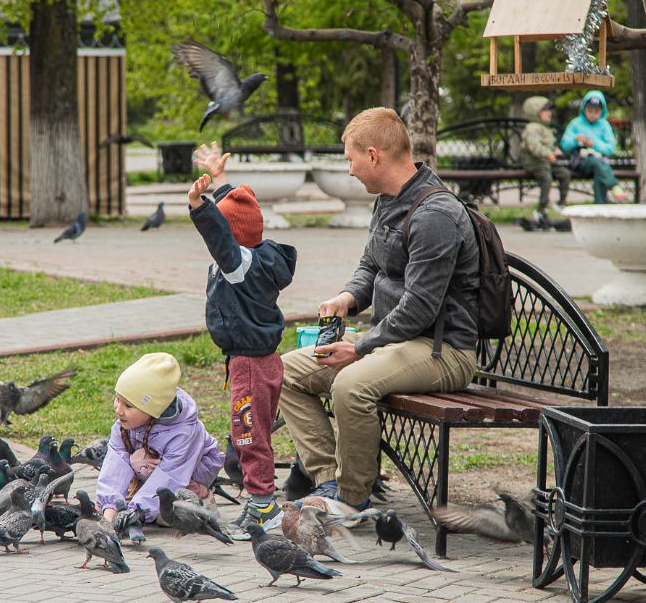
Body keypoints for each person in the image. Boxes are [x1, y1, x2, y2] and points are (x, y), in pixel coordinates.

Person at [279, 107, 480, 511]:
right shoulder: (389, 200)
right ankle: (327, 482)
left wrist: (361, 347)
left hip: (444, 351)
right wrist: (347, 298)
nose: (349, 170)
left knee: (351, 385)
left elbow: (420, 308)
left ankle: (352, 499)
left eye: (351, 159)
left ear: (373, 156)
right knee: (284, 372)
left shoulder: (435, 215)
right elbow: (371, 266)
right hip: (396, 343)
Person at [188, 143, 298, 539]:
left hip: (250, 365)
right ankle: (260, 501)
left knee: (249, 437)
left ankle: (264, 509)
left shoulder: (236, 264)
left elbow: (221, 231)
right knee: (251, 434)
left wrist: (198, 204)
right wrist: (221, 182)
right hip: (258, 360)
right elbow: (239, 216)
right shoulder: (260, 254)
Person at [95, 352, 224, 526]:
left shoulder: (183, 432)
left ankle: (203, 500)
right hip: (156, 464)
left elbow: (171, 475)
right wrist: (109, 513)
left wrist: (136, 513)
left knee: (148, 473)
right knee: (140, 464)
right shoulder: (125, 423)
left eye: (128, 405)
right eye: (117, 399)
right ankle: (145, 499)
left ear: (152, 409)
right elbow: (115, 464)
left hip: (198, 466)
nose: (118, 409)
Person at [559, 90, 626, 204]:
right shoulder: (576, 123)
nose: (592, 114)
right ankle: (614, 185)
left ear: (601, 112)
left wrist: (594, 144)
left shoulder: (604, 125)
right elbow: (565, 145)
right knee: (598, 164)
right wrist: (576, 140)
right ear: (584, 109)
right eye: (589, 110)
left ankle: (600, 206)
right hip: (581, 160)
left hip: (600, 161)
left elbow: (610, 148)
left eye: (596, 111)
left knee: (599, 170)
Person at [520, 96, 571, 228]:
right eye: (546, 110)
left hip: (546, 161)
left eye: (549, 110)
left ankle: (562, 201)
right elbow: (534, 146)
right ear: (535, 112)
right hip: (534, 162)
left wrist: (555, 151)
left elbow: (548, 144)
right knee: (546, 177)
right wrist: (548, 154)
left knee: (564, 173)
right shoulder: (532, 128)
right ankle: (542, 208)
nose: (549, 113)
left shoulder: (545, 127)